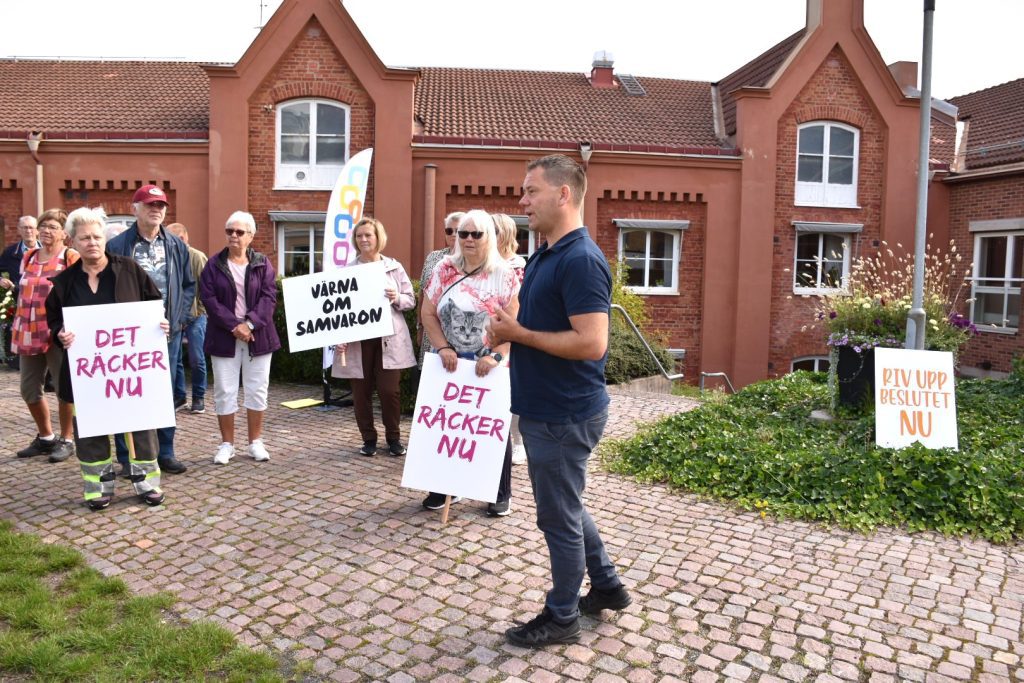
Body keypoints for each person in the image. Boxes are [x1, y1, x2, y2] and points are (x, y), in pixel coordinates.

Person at [488, 154, 631, 647]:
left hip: (565, 412)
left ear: (563, 194)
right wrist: (509, 324)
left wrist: (520, 334)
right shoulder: (547, 252)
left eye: (531, 191)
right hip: (548, 408)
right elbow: (536, 318)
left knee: (557, 517)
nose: (521, 201)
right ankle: (608, 586)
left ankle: (563, 616)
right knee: (567, 505)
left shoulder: (581, 259)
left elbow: (592, 343)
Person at [45, 207, 167, 510]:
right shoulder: (64, 283)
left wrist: (159, 323)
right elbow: (53, 322)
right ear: (72, 241)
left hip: (131, 371)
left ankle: (147, 483)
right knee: (91, 429)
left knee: (141, 426)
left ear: (105, 238)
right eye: (84, 238)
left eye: (97, 236)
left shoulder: (129, 269)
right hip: (89, 373)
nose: (92, 242)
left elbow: (153, 304)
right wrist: (60, 334)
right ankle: (98, 487)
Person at [420, 210, 519, 516]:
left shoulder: (505, 275)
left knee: (491, 431)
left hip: (489, 364)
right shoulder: (443, 270)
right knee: (447, 428)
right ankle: (443, 487)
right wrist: (442, 346)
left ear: (490, 236)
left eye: (477, 234)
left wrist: (496, 356)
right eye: (464, 234)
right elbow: (428, 313)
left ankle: (499, 493)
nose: (469, 240)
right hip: (449, 363)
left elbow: (515, 324)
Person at [107, 185, 194, 475]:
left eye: (161, 205)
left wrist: (179, 318)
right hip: (127, 336)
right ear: (135, 209)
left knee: (164, 394)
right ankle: (126, 456)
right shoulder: (118, 245)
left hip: (165, 333)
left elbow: (187, 285)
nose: (156, 210)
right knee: (125, 394)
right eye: (149, 205)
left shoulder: (176, 245)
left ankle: (165, 453)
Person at [200, 212, 280, 464]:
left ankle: (255, 442)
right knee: (225, 390)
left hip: (259, 337)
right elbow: (209, 300)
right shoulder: (213, 265)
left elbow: (269, 297)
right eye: (229, 231)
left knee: (257, 390)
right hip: (225, 337)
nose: (233, 236)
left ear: (251, 236)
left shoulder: (262, 263)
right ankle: (227, 444)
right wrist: (236, 326)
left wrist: (250, 324)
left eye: (239, 232)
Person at [331, 217, 416, 457]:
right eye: (359, 236)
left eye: (368, 235)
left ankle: (394, 439)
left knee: (390, 391)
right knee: (361, 393)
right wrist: (339, 336)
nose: (364, 239)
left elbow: (411, 300)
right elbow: (338, 310)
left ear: (378, 238)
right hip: (358, 342)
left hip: (388, 340)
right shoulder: (346, 271)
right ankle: (368, 439)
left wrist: (396, 296)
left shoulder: (393, 267)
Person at [10, 209, 78, 462]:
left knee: (64, 390)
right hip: (27, 330)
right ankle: (46, 437)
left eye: (53, 226)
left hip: (56, 333)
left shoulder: (69, 257)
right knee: (29, 388)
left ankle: (67, 439)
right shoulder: (28, 256)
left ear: (64, 232)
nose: (46, 230)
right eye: (43, 226)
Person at [493, 213, 528, 466]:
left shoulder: (518, 266)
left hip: (514, 335)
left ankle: (517, 443)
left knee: (513, 391)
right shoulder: (483, 263)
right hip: (489, 334)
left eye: (494, 231)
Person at [167, 222, 208, 414]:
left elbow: (205, 288)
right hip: (174, 318)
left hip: (195, 317)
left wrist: (198, 311)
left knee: (196, 358)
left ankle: (199, 397)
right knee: (175, 360)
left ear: (182, 239)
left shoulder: (197, 257)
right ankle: (180, 396)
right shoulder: (169, 256)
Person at [417, 211, 463, 365]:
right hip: (432, 327)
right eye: (449, 231)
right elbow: (423, 293)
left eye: (458, 231)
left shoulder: (475, 260)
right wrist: (420, 327)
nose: (453, 234)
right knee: (431, 372)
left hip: (461, 331)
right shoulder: (434, 257)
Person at [1, 215, 41, 370]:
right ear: (18, 230)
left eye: (31, 227)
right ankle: (20, 361)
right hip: (20, 299)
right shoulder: (11, 252)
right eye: (24, 227)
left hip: (41, 300)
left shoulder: (45, 251)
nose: (28, 231)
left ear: (37, 230)